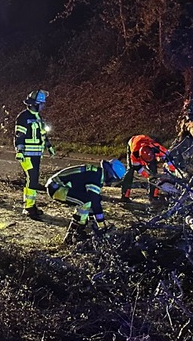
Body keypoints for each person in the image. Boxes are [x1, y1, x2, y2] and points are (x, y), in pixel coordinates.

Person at [46, 159, 125, 243]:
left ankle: (74, 234)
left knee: (86, 203)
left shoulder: (96, 173)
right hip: (56, 188)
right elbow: (94, 202)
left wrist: (93, 218)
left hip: (58, 185)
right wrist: (101, 224)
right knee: (85, 202)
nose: (112, 182)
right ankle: (75, 234)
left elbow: (93, 200)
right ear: (110, 173)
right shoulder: (95, 177)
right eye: (113, 179)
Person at [14, 90, 54, 220]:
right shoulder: (23, 117)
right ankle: (29, 208)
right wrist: (19, 151)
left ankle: (31, 206)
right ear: (35, 104)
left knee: (34, 179)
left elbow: (42, 133)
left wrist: (49, 146)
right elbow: (19, 135)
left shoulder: (38, 117)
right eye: (41, 104)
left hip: (36, 154)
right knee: (33, 179)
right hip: (27, 155)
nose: (43, 106)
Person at [123, 134, 171, 201]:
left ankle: (153, 195)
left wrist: (171, 166)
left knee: (154, 171)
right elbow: (137, 167)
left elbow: (167, 154)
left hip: (148, 150)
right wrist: (148, 176)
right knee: (130, 170)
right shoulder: (135, 154)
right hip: (132, 142)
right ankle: (125, 194)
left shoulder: (155, 147)